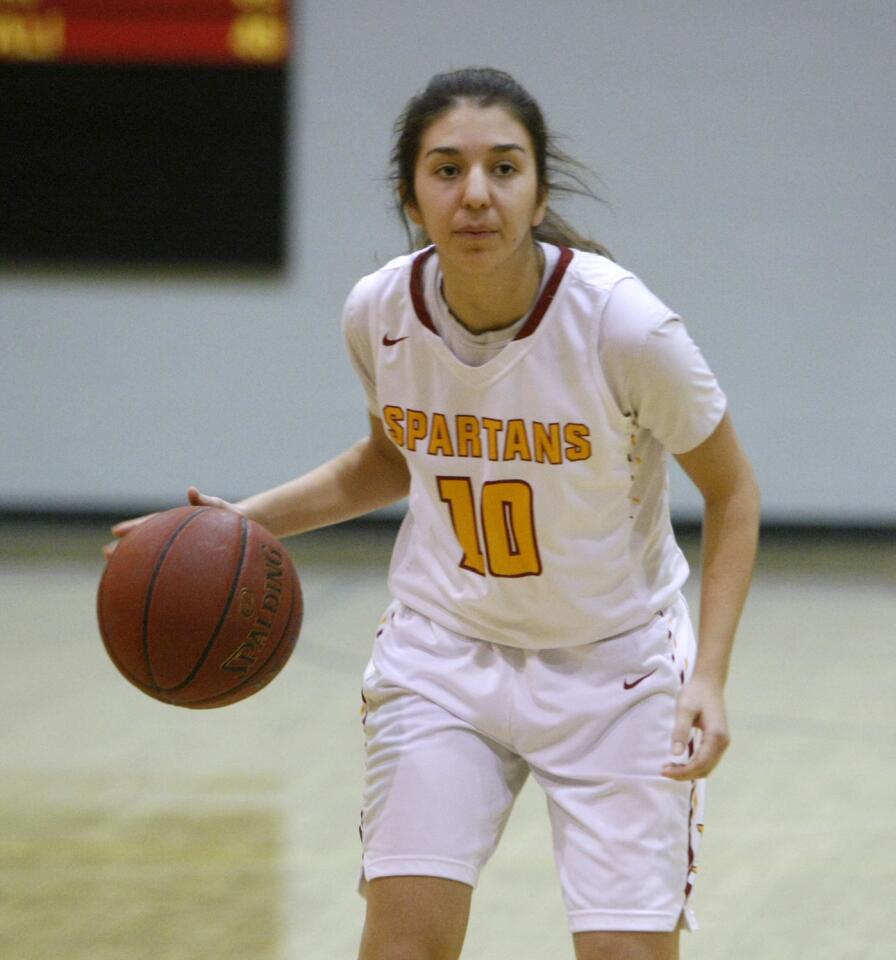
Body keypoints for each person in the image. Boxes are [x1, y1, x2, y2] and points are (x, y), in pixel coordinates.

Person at [108, 67, 759, 960]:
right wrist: (235, 526)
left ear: (538, 191)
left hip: (617, 670)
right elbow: (390, 458)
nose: (476, 194)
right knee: (403, 944)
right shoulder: (378, 311)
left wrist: (710, 676)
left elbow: (733, 493)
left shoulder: (622, 326)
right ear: (412, 195)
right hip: (444, 657)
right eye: (447, 169)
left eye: (504, 167)